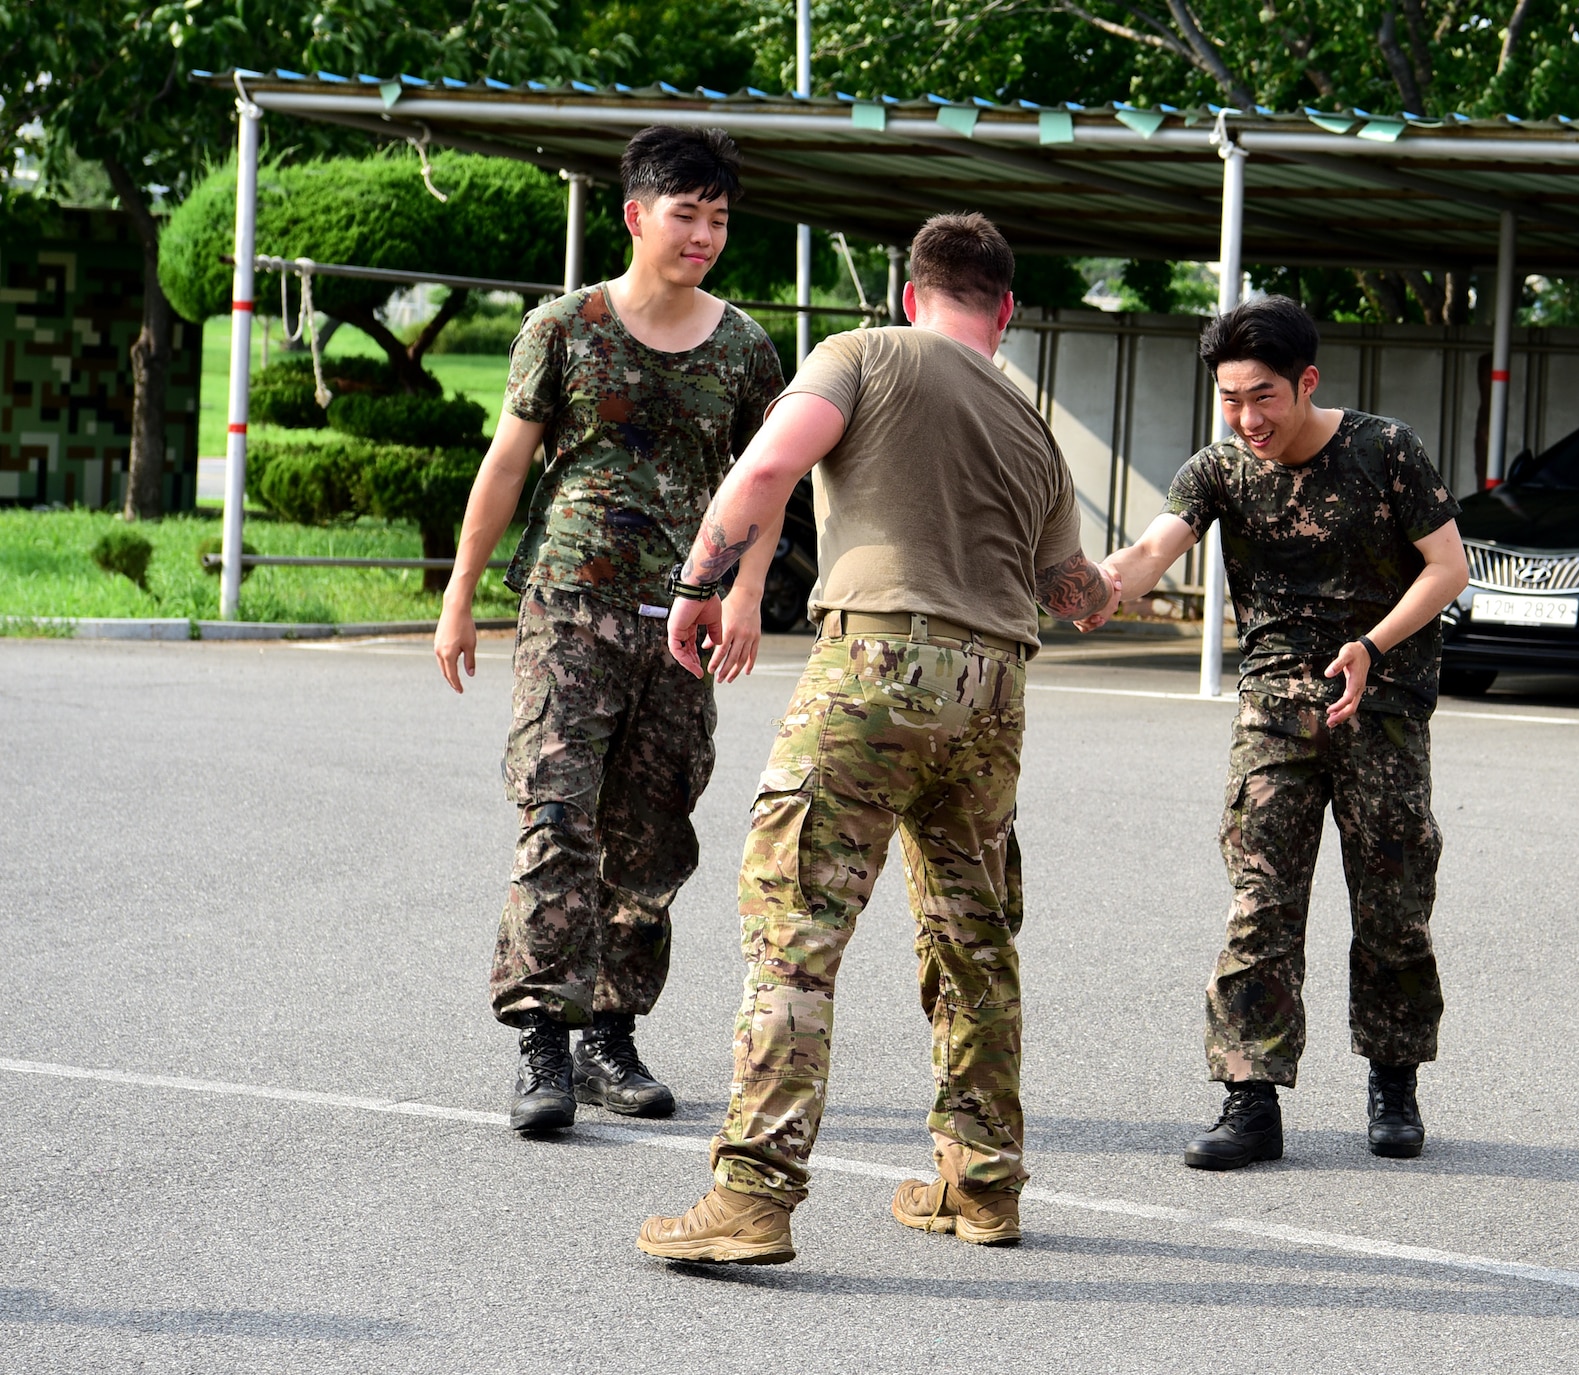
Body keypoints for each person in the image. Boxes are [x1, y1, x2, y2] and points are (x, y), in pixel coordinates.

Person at [631, 211, 1119, 1266]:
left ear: (912, 293)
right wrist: (1125, 569)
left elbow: (769, 467)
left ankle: (751, 1199)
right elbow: (1076, 592)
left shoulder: (862, 353)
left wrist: (696, 582)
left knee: (794, 928)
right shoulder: (1033, 430)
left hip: (876, 668)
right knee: (972, 937)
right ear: (1004, 312)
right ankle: (981, 1185)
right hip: (994, 690)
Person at [432, 126, 784, 1135]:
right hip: (568, 610)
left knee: (653, 832)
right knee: (555, 815)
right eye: (687, 214)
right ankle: (542, 1035)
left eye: (719, 218)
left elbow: (765, 482)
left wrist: (746, 591)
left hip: (681, 621)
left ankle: (610, 1037)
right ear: (636, 214)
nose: (704, 235)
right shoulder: (566, 326)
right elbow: (505, 466)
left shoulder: (744, 346)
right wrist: (461, 594)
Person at [1089, 295, 1468, 1169]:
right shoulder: (1219, 468)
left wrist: (1371, 643)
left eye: (1264, 396)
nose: (1248, 418)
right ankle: (1249, 1098)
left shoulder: (1385, 450)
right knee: (1260, 900)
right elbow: (1152, 551)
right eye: (1230, 398)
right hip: (1274, 708)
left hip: (1384, 704)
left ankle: (1394, 1079)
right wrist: (1098, 584)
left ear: (1307, 383)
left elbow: (1447, 567)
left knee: (1394, 902)